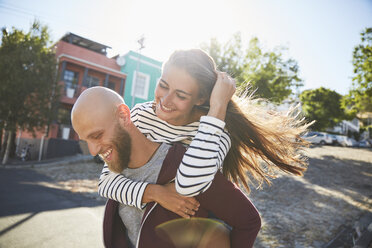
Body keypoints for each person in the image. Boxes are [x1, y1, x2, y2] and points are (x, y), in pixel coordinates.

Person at [97, 49, 310, 218]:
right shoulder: (140, 116)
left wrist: (218, 108)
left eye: (180, 95)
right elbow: (106, 182)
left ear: (201, 99)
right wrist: (156, 194)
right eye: (163, 85)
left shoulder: (216, 132)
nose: (165, 100)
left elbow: (188, 186)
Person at [71, 87, 261, 248]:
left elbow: (248, 221)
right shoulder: (115, 173)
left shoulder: (188, 167)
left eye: (97, 136)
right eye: (86, 140)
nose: (93, 151)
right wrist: (155, 193)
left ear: (123, 115)